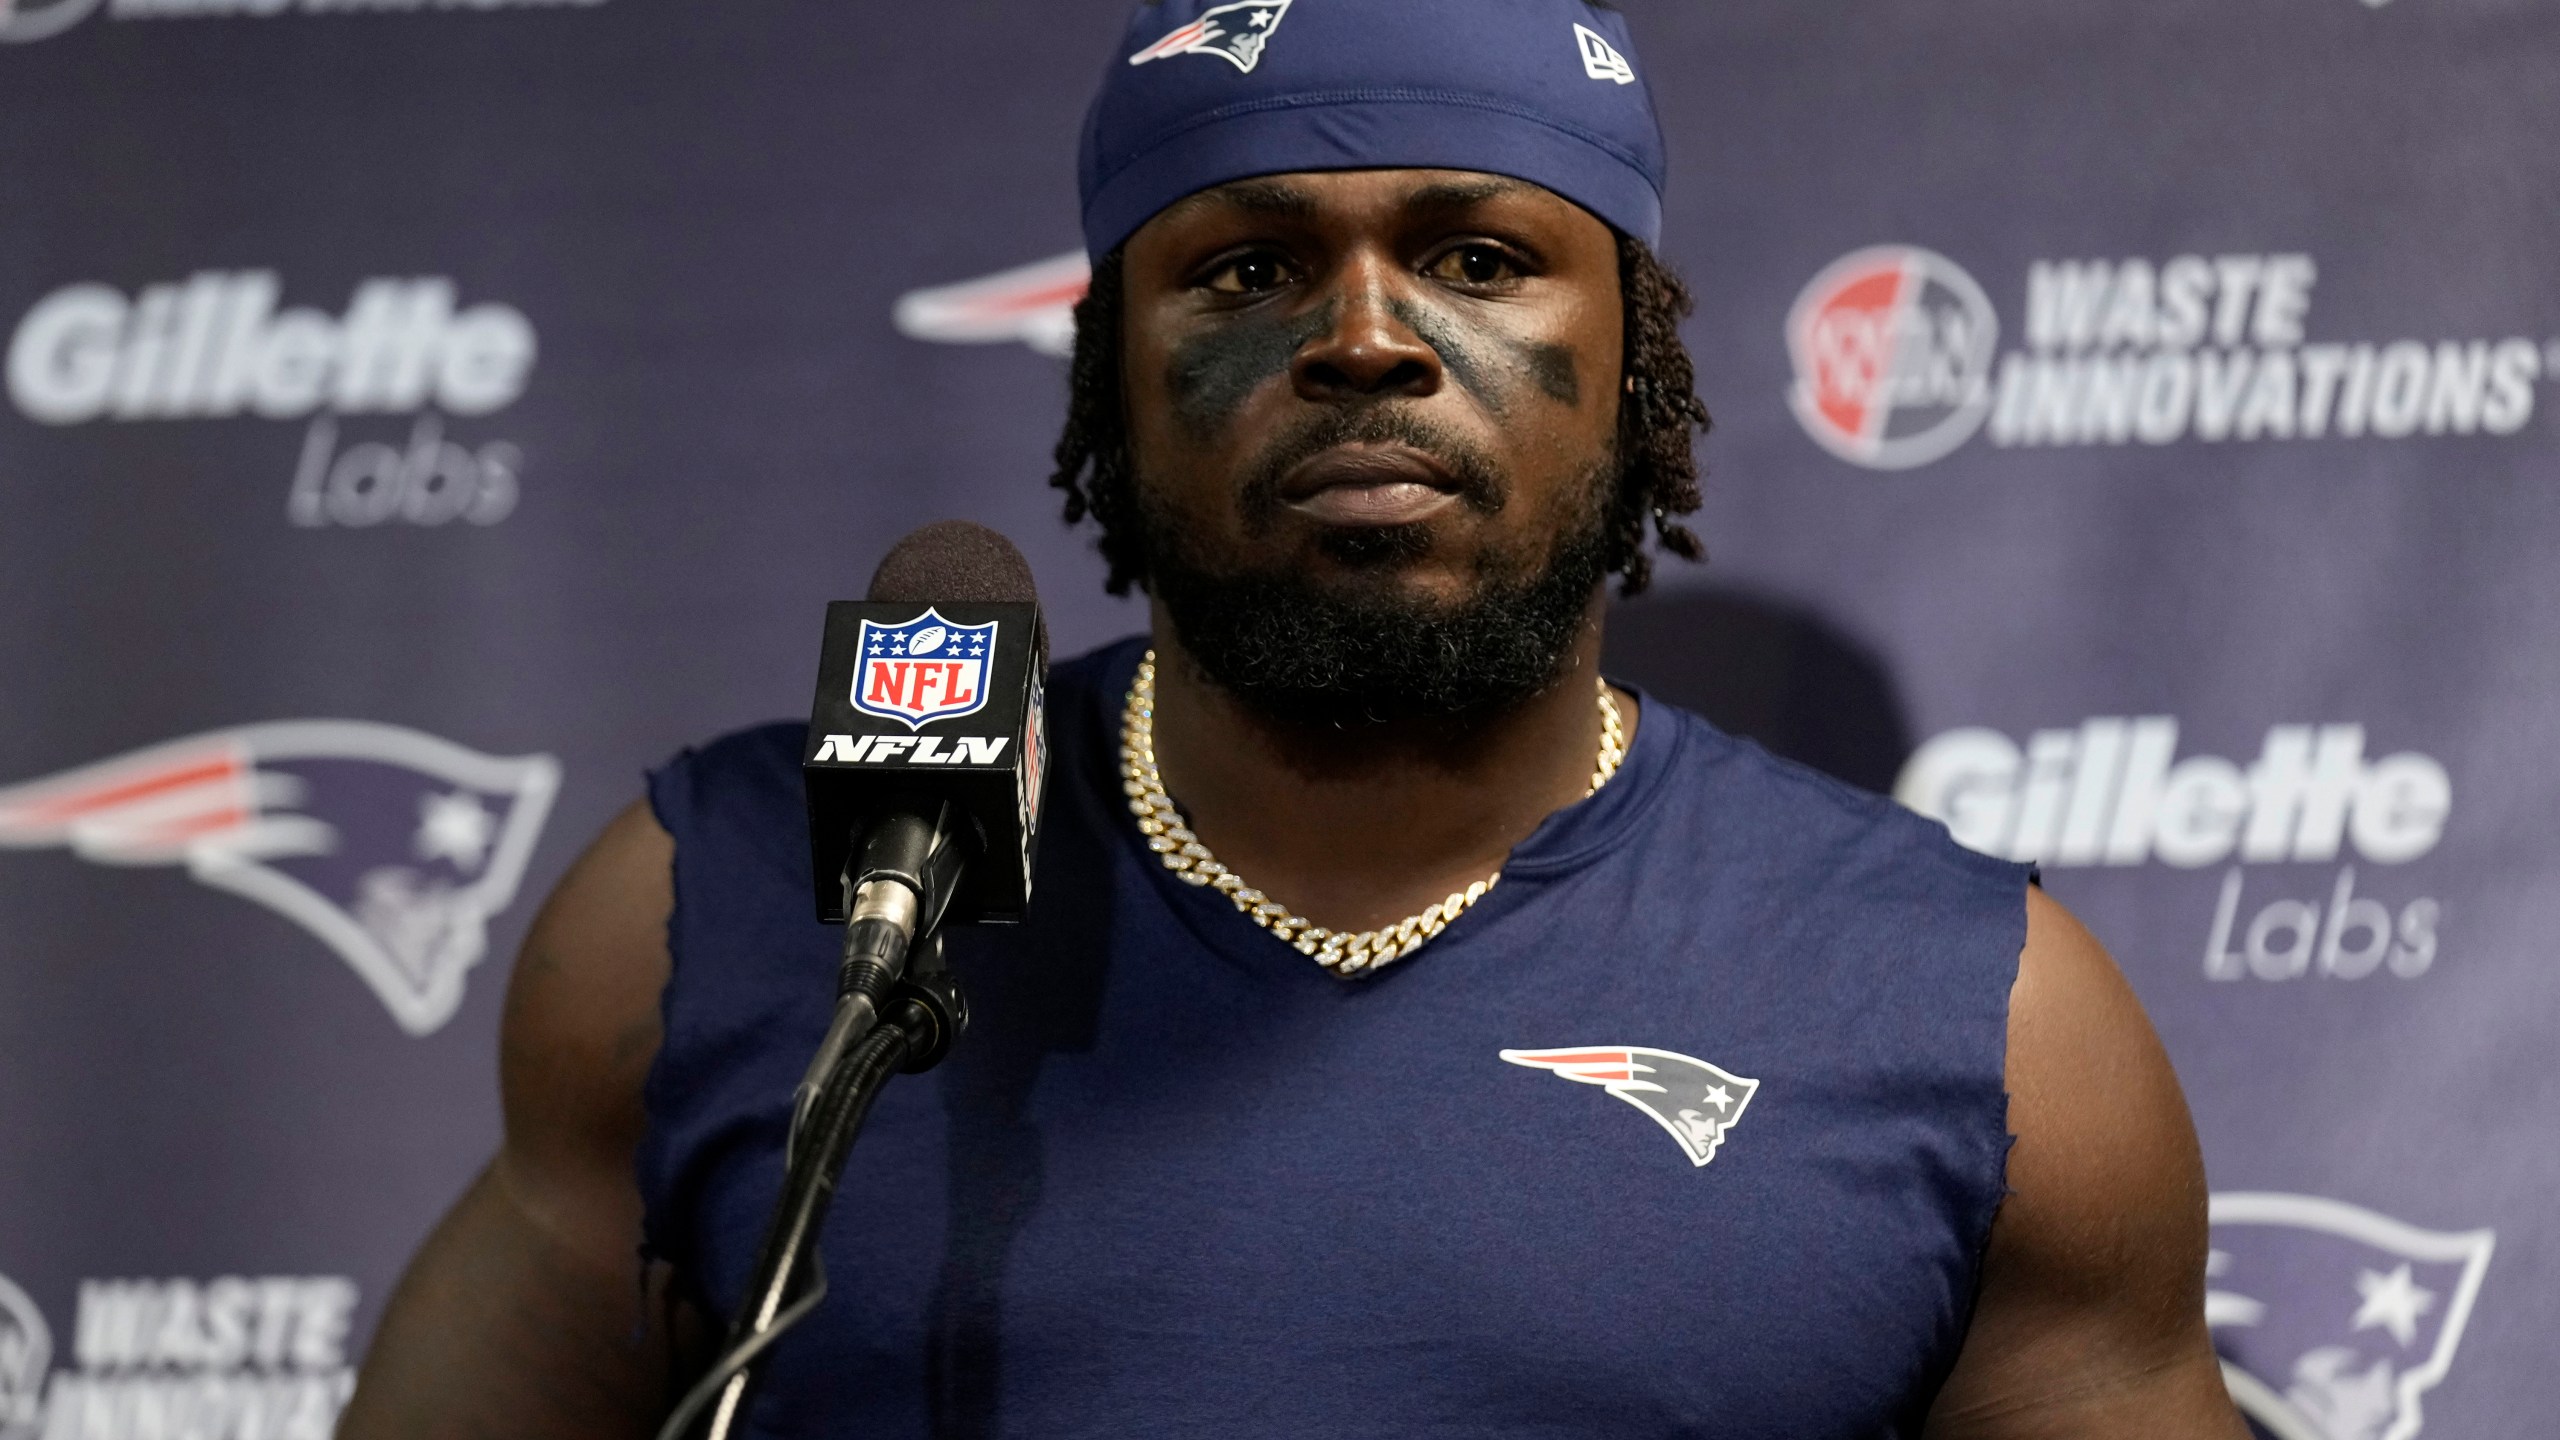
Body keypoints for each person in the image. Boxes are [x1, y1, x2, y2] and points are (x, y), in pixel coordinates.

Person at [343, 2, 2247, 1435]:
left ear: (1639, 365)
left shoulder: (1972, 1011)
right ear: (1114, 372)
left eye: (1479, 257)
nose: (1363, 334)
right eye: (1248, 268)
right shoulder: (735, 903)